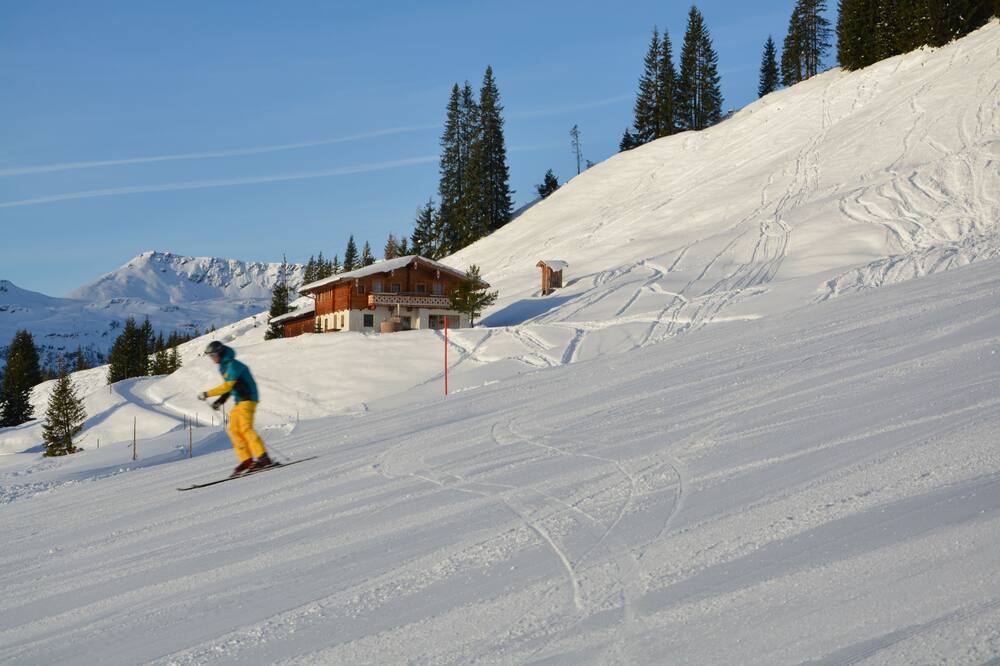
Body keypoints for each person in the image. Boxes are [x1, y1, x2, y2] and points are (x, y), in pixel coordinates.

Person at [197, 341, 274, 476]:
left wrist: (207, 394)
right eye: (210, 356)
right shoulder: (224, 366)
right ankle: (247, 461)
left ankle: (264, 458)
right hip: (240, 401)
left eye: (214, 354)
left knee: (245, 428)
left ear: (220, 352)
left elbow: (227, 386)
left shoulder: (232, 365)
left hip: (249, 398)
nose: (212, 358)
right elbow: (230, 386)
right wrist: (221, 400)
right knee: (233, 430)